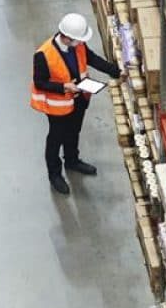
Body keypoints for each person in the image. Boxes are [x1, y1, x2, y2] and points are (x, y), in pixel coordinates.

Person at [31, 13, 122, 195]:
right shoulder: (44, 54)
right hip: (59, 106)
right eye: (77, 40)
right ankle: (55, 174)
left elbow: (92, 58)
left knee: (74, 131)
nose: (79, 43)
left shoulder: (78, 44)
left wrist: (115, 71)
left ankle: (72, 160)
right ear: (66, 37)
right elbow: (40, 82)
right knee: (56, 139)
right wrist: (64, 86)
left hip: (79, 100)